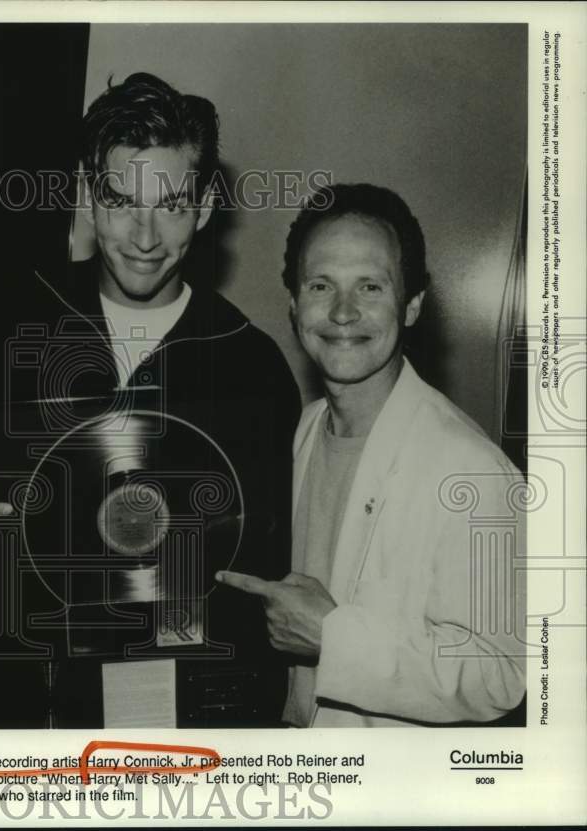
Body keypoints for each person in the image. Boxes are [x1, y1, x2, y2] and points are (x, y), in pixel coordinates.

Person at [0, 73, 301, 728]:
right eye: (120, 200)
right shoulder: (12, 325)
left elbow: (253, 580)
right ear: (84, 193)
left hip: (167, 722)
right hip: (9, 710)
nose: (143, 234)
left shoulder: (252, 367)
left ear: (206, 205)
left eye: (170, 203)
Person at [218, 183, 526, 727]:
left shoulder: (475, 470)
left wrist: (333, 638)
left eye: (370, 287)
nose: (342, 312)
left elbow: (502, 672)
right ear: (293, 305)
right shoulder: (301, 431)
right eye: (320, 285)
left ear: (411, 306)